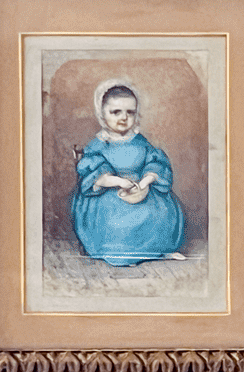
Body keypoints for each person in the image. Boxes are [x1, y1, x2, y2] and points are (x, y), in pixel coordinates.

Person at [70, 80, 186, 265]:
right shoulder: (99, 144)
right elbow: (94, 173)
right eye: (115, 112)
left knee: (161, 214)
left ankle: (159, 250)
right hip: (107, 193)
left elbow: (155, 162)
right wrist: (117, 181)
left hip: (141, 187)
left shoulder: (140, 141)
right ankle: (123, 253)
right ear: (102, 114)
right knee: (117, 221)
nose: (123, 118)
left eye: (130, 112)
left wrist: (146, 181)